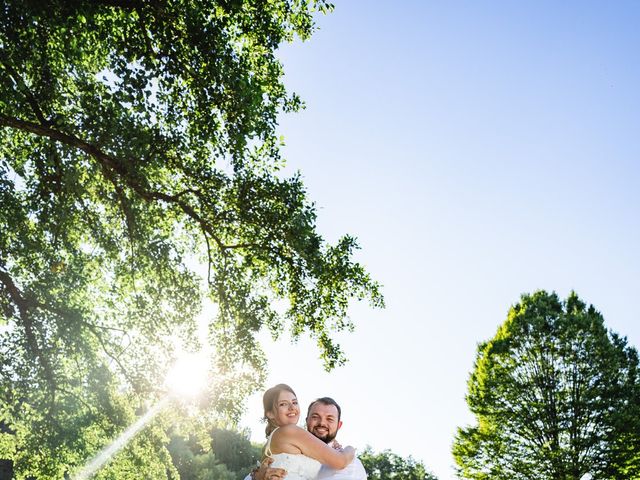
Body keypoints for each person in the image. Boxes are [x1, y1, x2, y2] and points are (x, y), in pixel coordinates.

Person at [249, 387, 366, 480]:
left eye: (294, 402)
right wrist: (350, 449)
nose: (291, 408)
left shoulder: (353, 466)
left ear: (339, 425)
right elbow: (341, 461)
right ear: (270, 414)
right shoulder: (290, 431)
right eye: (283, 404)